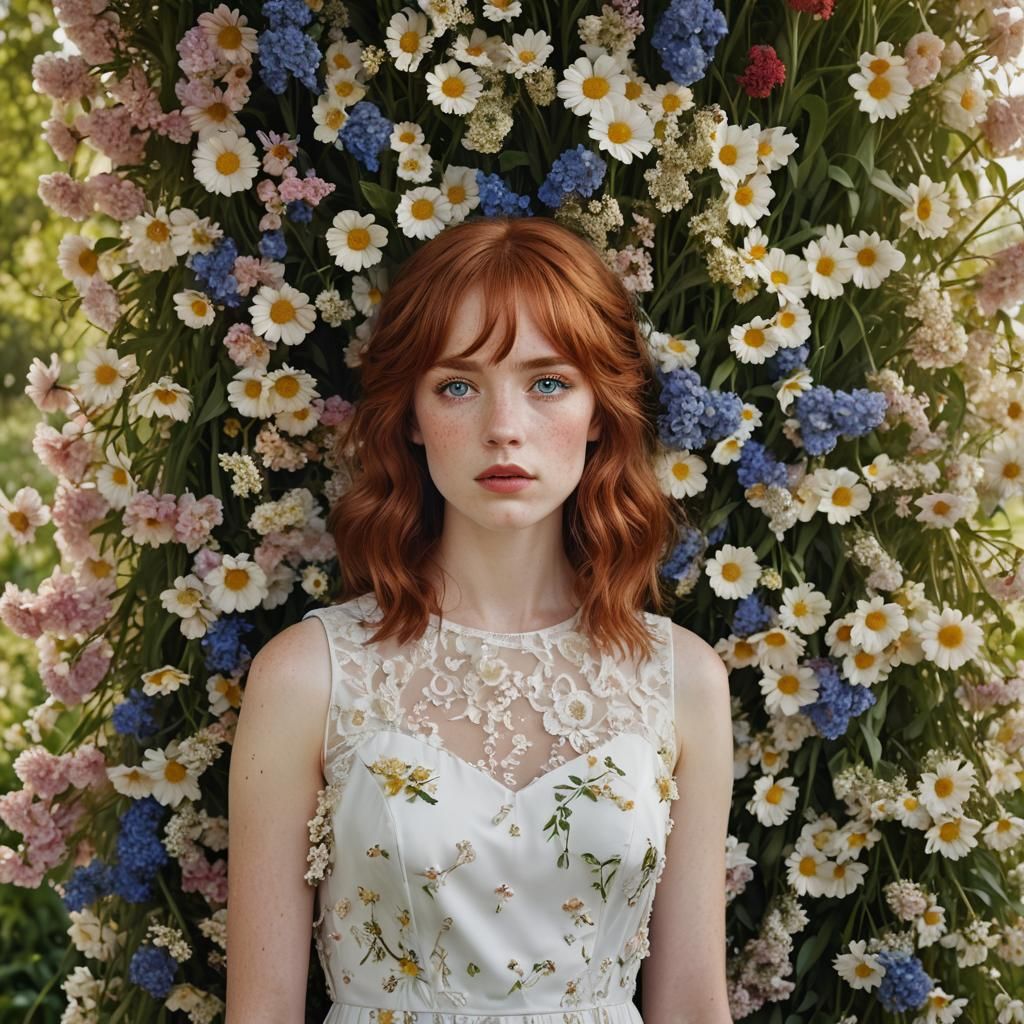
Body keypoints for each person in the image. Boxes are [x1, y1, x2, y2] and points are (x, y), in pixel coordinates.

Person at [226, 215, 735, 1024]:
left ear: (600, 411)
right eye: (458, 386)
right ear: (411, 415)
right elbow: (261, 1012)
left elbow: (694, 1004)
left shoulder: (682, 680)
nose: (504, 427)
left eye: (548, 383)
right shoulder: (305, 675)